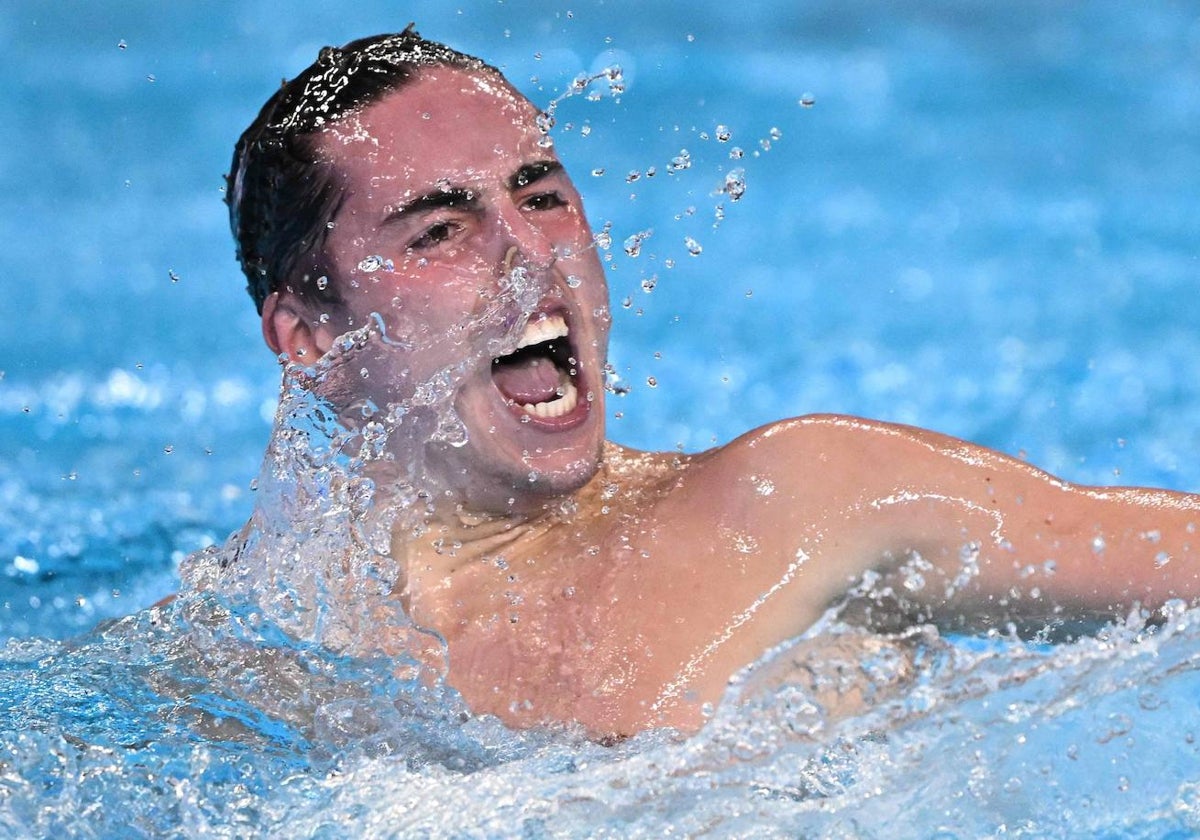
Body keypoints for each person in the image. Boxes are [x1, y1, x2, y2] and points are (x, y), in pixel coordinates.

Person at [225, 27, 1200, 739]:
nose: (531, 253)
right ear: (310, 338)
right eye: (440, 230)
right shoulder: (255, 662)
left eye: (543, 195)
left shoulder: (803, 502)